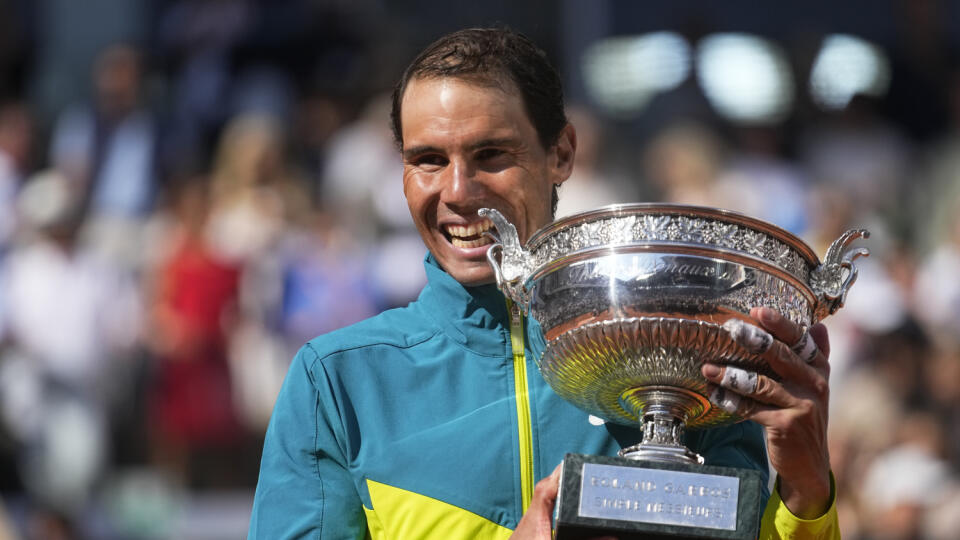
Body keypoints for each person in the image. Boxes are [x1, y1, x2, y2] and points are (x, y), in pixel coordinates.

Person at [249, 27, 839, 539]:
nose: (457, 191)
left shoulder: (688, 358)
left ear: (561, 153)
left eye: (490, 154)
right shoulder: (339, 382)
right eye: (428, 159)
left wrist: (808, 498)